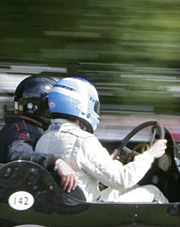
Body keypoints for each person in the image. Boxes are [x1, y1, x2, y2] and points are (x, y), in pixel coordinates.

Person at [36, 77, 167, 203]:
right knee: (152, 192)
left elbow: (81, 171)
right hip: (89, 211)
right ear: (81, 105)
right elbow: (122, 179)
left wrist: (109, 162)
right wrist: (150, 154)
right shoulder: (83, 140)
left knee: (132, 188)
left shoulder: (43, 139)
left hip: (68, 204)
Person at [0, 75, 77, 193]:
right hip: (17, 193)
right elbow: (19, 154)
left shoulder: (17, 127)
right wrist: (56, 162)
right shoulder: (23, 130)